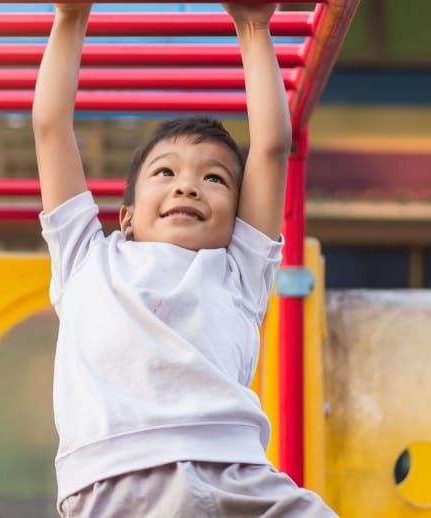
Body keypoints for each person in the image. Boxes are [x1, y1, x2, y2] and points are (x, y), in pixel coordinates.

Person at [32, 3, 336, 516]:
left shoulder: (237, 269)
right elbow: (50, 128)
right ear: (126, 217)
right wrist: (70, 18)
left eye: (214, 178)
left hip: (234, 475)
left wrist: (254, 28)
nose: (189, 185)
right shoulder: (87, 258)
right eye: (166, 173)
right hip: (113, 484)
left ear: (238, 218)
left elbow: (270, 147)